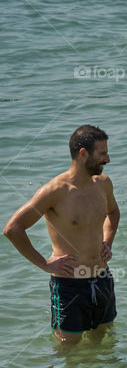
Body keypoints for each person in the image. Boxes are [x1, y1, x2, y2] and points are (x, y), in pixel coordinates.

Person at [3, 126, 119, 346]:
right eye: (102, 154)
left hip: (103, 278)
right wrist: (45, 264)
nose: (108, 159)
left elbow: (113, 212)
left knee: (104, 341)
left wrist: (107, 241)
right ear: (83, 153)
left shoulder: (103, 184)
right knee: (69, 347)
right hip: (69, 286)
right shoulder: (54, 191)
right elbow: (13, 228)